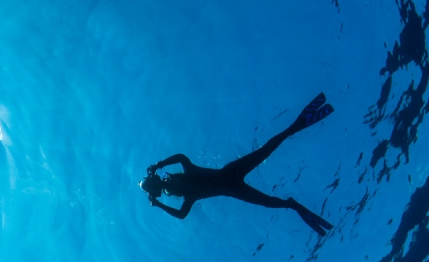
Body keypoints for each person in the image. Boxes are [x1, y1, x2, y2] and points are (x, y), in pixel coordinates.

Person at [140, 93, 335, 235]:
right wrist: (159, 172)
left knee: (266, 151)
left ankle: (296, 127)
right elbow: (182, 212)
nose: (169, 186)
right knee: (267, 199)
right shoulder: (189, 194)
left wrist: (160, 168)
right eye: (167, 188)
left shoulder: (189, 183)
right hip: (233, 185)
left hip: (231, 175)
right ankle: (291, 205)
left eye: (165, 184)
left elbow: (182, 158)